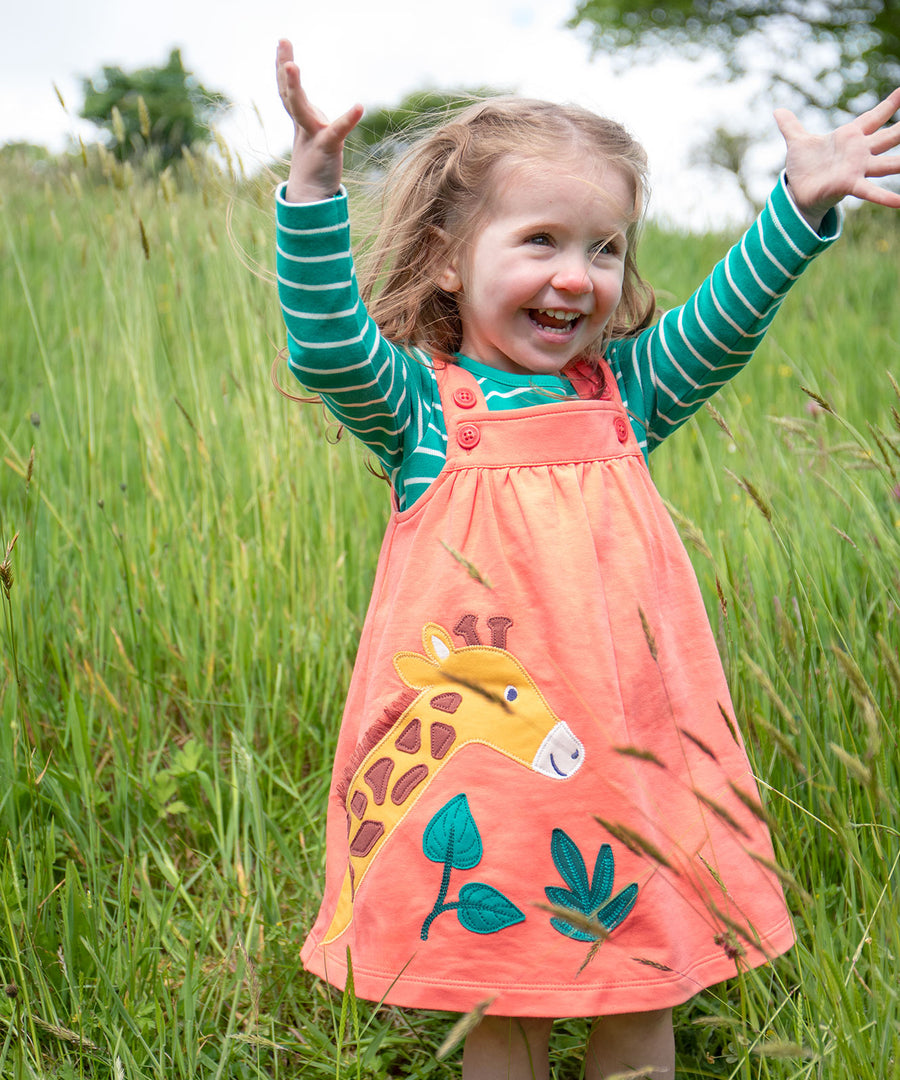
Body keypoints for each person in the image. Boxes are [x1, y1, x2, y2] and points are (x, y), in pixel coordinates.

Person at [274, 37, 900, 1078]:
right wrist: (312, 192)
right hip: (503, 788)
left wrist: (798, 208)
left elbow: (727, 321)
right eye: (541, 241)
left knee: (640, 994)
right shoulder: (425, 415)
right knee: (504, 1005)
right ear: (445, 256)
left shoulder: (627, 397)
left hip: (632, 766)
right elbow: (327, 343)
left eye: (605, 249)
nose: (576, 277)